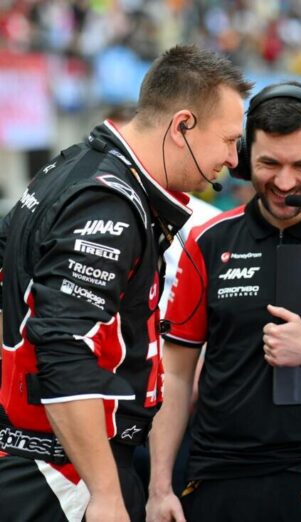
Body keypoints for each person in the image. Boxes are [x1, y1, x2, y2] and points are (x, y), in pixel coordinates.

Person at [0, 44, 252, 522]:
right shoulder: (109, 202)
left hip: (44, 458)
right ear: (182, 125)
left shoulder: (74, 164)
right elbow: (64, 345)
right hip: (65, 472)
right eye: (228, 140)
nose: (232, 158)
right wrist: (104, 493)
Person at [146, 81, 301, 522]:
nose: (284, 182)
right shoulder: (209, 241)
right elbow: (177, 372)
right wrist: (159, 487)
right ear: (244, 160)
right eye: (269, 164)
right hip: (221, 477)